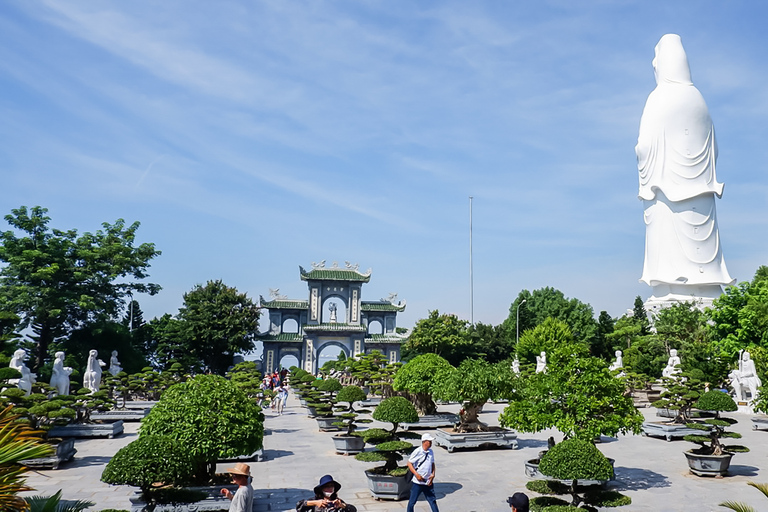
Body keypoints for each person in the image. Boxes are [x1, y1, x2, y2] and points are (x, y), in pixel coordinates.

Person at [407, 433, 439, 512]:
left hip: (428, 482)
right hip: (418, 482)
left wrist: (433, 474)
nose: (431, 443)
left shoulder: (431, 452)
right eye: (429, 441)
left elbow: (432, 463)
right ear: (424, 442)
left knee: (432, 500)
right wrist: (417, 474)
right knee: (412, 502)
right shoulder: (417, 451)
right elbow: (409, 463)